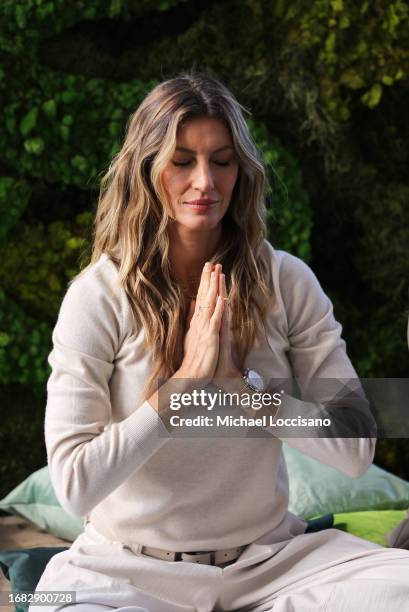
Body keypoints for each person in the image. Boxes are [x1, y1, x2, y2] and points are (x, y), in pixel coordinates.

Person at [30, 72, 409, 612]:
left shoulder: (286, 281)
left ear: (242, 171)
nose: (205, 181)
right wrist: (181, 390)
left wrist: (244, 390)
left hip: (271, 564)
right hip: (128, 572)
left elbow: (353, 449)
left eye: (222, 160)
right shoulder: (98, 297)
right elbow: (74, 485)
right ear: (147, 168)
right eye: (182, 160)